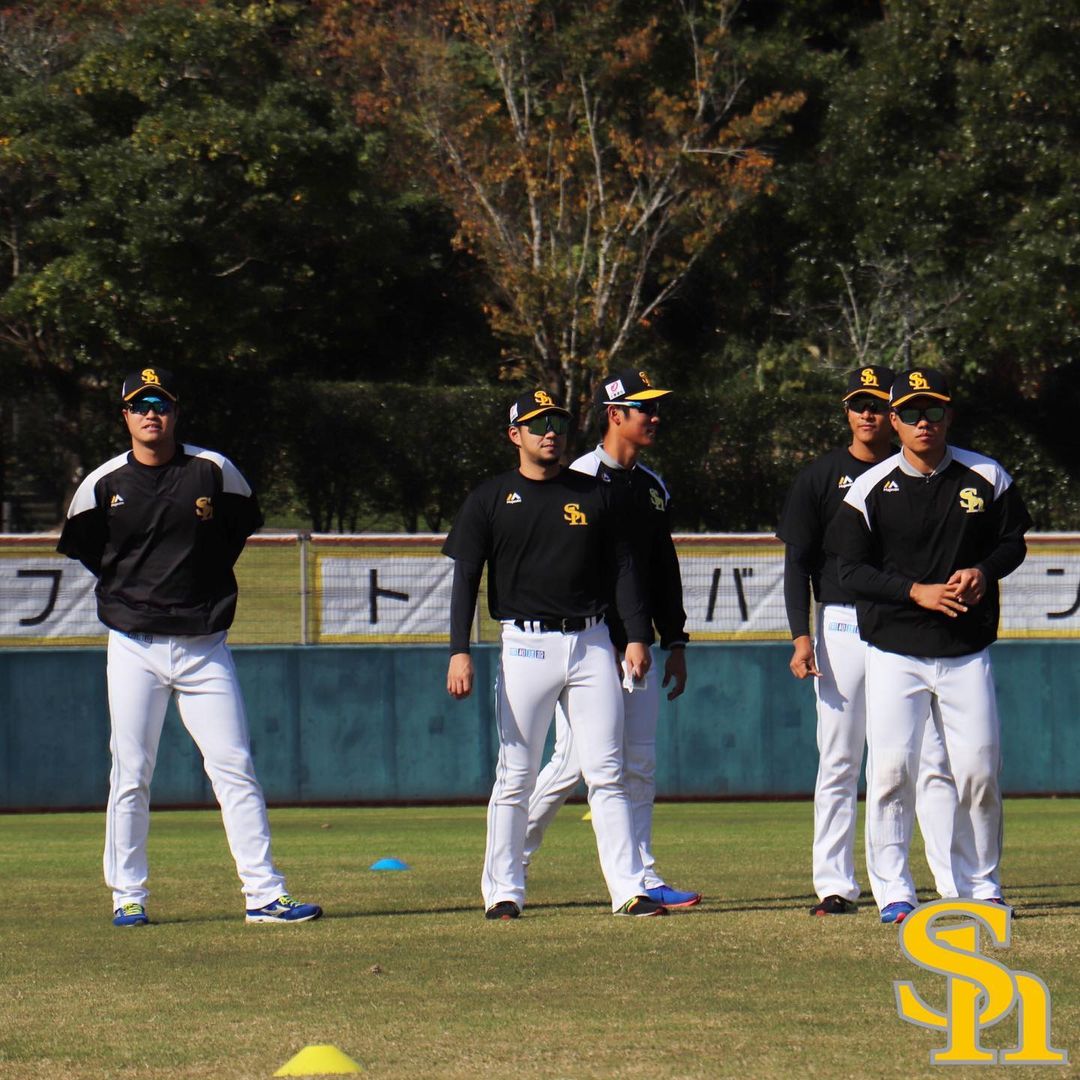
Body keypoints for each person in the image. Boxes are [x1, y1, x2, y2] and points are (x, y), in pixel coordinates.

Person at [57, 368, 321, 927]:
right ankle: (128, 895)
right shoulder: (102, 483)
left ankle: (264, 895)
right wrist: (135, 592)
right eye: (140, 405)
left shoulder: (214, 470)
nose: (151, 413)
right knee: (132, 772)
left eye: (161, 403)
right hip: (135, 644)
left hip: (204, 645)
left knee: (234, 767)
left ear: (175, 412)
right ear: (125, 416)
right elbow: (87, 549)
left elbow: (237, 530)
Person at [443, 389, 667, 918]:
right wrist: (458, 650)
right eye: (538, 423)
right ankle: (504, 891)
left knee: (607, 771)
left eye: (558, 423)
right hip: (526, 645)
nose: (550, 432)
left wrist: (637, 635)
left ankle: (628, 889)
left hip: (591, 642)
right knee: (516, 775)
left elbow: (623, 569)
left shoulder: (592, 493)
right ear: (514, 435)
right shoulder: (490, 498)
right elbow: (465, 578)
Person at [825, 368, 1031, 924]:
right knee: (891, 772)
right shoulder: (871, 487)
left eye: (933, 411)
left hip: (966, 649)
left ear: (948, 415)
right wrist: (915, 591)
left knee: (979, 771)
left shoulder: (985, 475)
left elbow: (1013, 541)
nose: (924, 423)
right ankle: (895, 891)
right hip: (895, 651)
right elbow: (849, 571)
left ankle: (982, 887)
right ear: (894, 420)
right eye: (912, 413)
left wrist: (985, 571)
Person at [778, 366, 958, 916]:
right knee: (839, 755)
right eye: (859, 404)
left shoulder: (918, 472)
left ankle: (951, 883)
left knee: (922, 756)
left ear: (894, 414)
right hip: (840, 623)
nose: (868, 413)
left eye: (878, 404)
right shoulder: (821, 476)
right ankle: (835, 884)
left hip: (902, 620)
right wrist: (800, 635)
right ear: (847, 411)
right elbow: (797, 562)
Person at [522, 370, 699, 909]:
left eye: (656, 407)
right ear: (615, 414)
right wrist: (618, 636)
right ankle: (511, 857)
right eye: (645, 408)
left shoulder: (651, 486)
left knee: (638, 763)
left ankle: (642, 876)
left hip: (639, 643)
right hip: (593, 642)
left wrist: (675, 641)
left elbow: (662, 570)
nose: (654, 417)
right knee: (572, 764)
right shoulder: (578, 478)